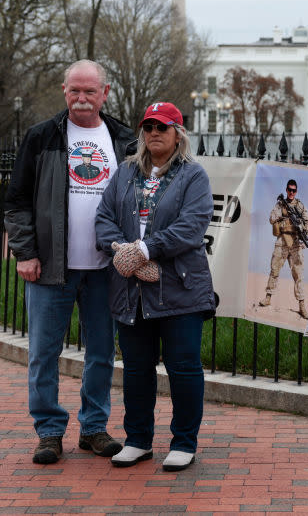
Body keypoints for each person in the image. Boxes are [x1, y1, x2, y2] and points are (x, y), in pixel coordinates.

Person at [4, 59, 133, 464]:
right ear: (64, 91)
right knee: (44, 352)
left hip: (106, 269)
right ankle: (49, 431)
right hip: (50, 268)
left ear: (104, 93)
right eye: (74, 90)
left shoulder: (124, 141)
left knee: (101, 352)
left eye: (89, 91)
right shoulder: (42, 137)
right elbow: (17, 201)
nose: (81, 98)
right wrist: (25, 252)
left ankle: (94, 428)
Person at [95, 101, 215, 472]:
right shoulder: (125, 173)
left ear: (178, 134)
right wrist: (121, 250)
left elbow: (191, 226)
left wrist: (144, 249)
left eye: (161, 127)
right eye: (147, 126)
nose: (153, 133)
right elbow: (103, 218)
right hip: (132, 290)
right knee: (135, 368)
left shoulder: (193, 176)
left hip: (179, 288)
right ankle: (138, 440)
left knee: (183, 368)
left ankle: (183, 442)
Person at [259, 178, 308, 319]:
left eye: (294, 190)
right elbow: (271, 218)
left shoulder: (300, 206)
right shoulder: (280, 204)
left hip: (295, 242)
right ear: (286, 190)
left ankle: (302, 305)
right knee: (274, 270)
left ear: (296, 191)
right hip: (282, 240)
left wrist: (303, 230)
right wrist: (283, 217)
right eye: (289, 189)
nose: (291, 192)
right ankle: (268, 297)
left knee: (298, 275)